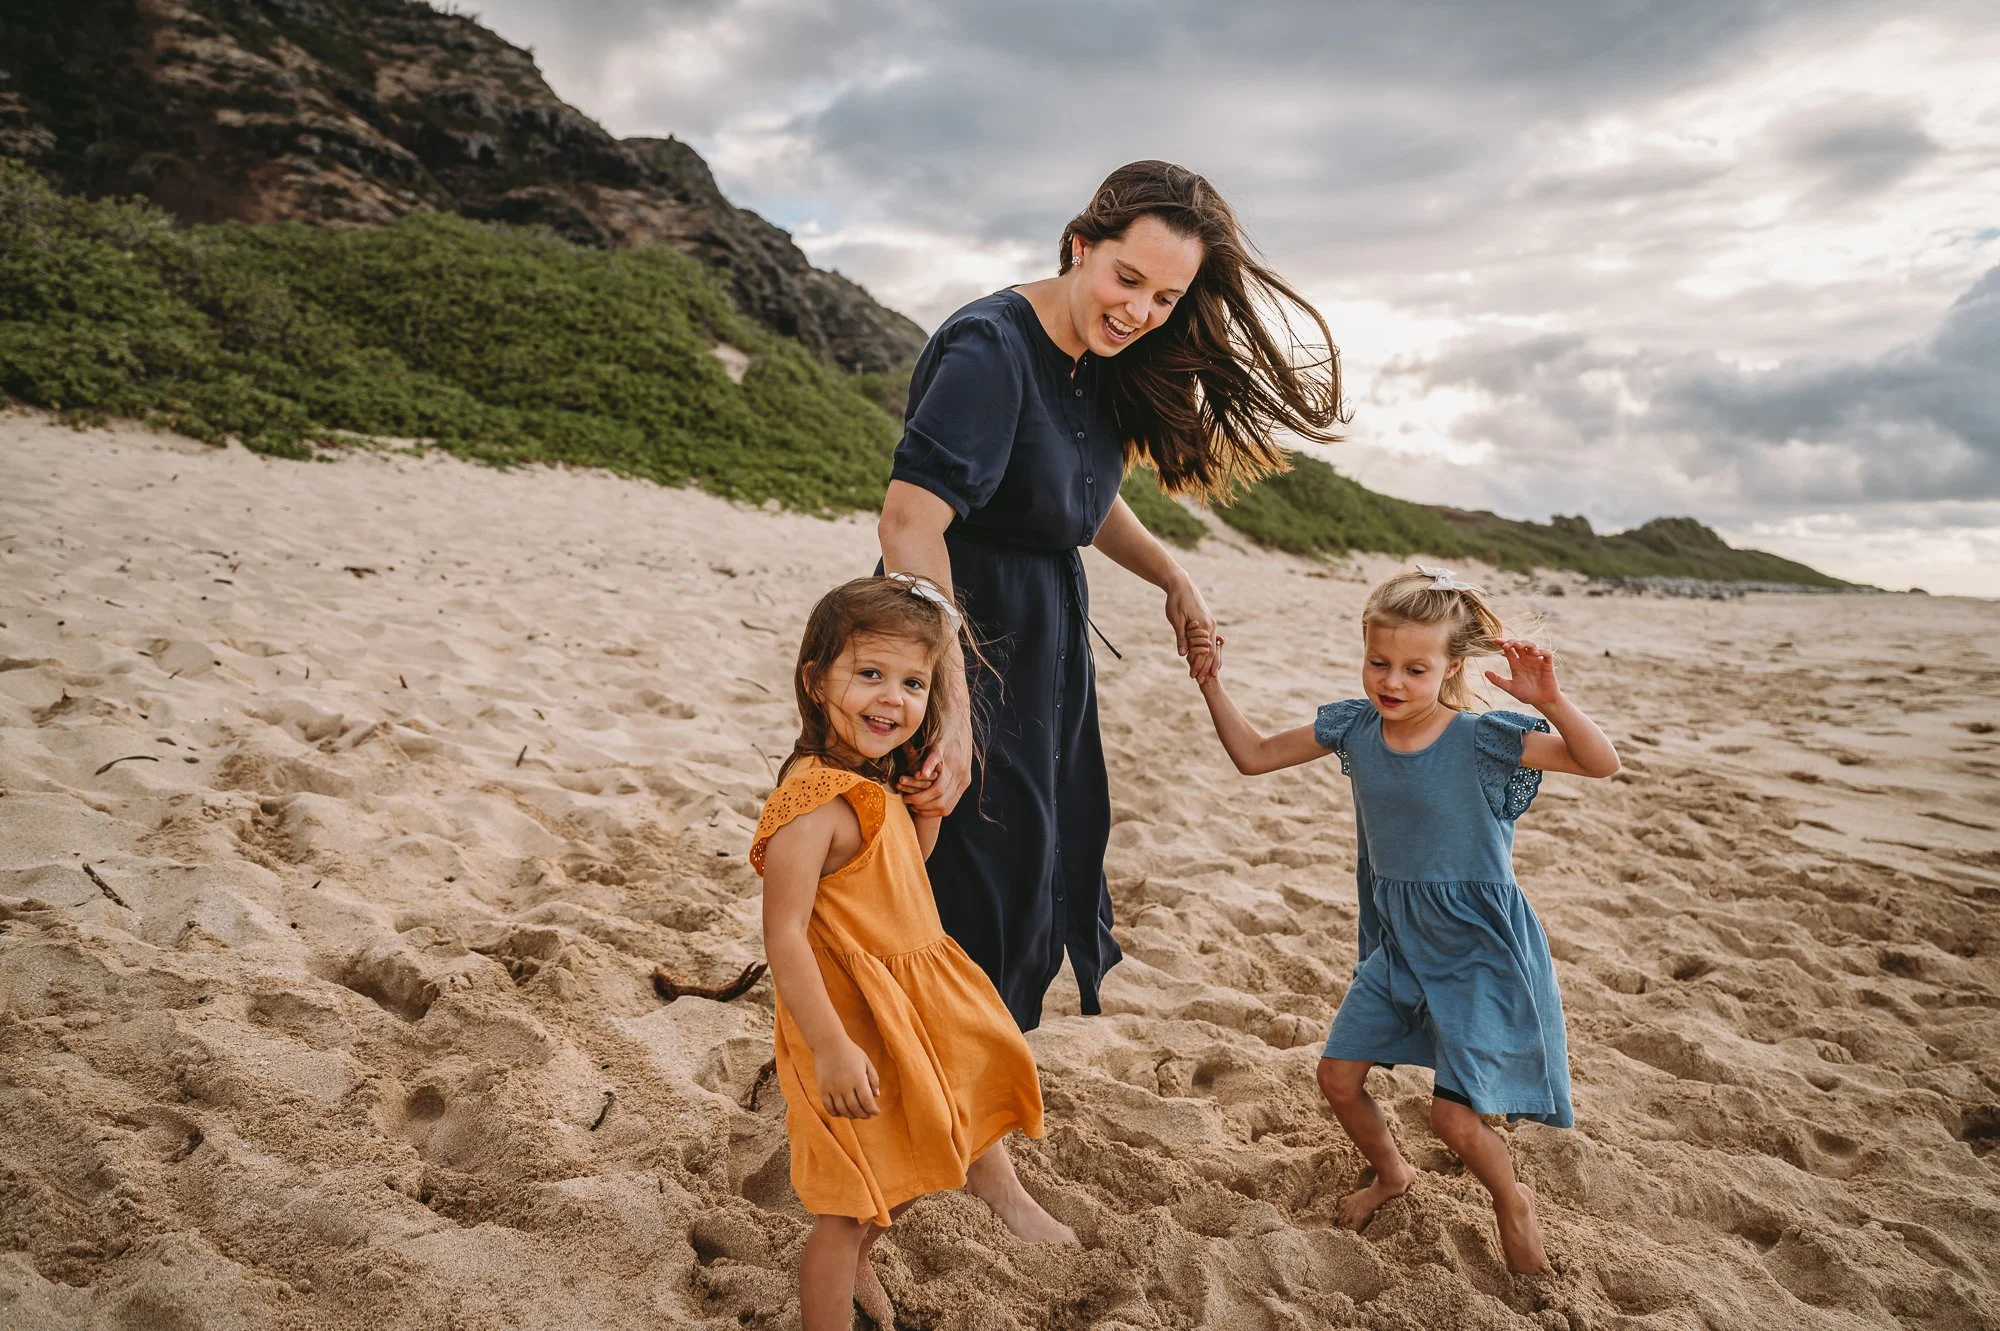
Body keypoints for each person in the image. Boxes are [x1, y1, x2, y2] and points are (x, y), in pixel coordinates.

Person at [877, 159, 1347, 1041]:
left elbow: (1077, 494)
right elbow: (909, 523)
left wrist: (1174, 575)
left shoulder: (1099, 361)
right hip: (956, 637)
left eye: (1166, 298)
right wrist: (950, 699)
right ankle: (945, 1107)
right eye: (1128, 279)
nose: (1139, 312)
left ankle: (977, 1094)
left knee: (1037, 862)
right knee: (971, 878)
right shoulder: (993, 347)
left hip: (1044, 646)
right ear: (1080, 245)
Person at [1182, 566, 1620, 1275]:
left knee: (1454, 1120)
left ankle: (1512, 1197)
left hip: (1478, 949)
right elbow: (1254, 754)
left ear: (1451, 667)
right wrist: (1211, 682)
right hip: (1401, 944)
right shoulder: (1354, 727)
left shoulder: (1483, 738)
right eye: (1378, 662)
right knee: (1338, 1077)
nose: (1391, 681)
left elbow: (1601, 763)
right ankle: (1392, 1172)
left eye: (1415, 668)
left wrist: (1555, 700)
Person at [751, 575, 1073, 1331]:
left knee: (896, 1167)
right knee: (846, 1204)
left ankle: (865, 1258)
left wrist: (925, 814)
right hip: (848, 1024)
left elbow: (894, 878)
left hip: (900, 1010)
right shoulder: (811, 802)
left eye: (913, 682)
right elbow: (784, 934)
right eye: (869, 674)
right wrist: (830, 1047)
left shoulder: (872, 780)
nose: (891, 698)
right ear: (815, 679)